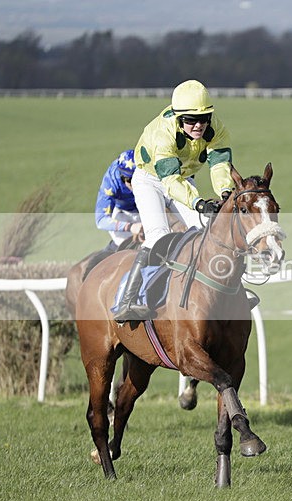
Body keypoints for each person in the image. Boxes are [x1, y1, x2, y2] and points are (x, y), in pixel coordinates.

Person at [113, 79, 234, 322]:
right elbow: (170, 183)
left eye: (204, 118)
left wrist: (224, 193)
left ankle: (221, 295)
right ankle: (128, 299)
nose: (199, 125)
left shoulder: (216, 127)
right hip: (151, 180)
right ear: (179, 118)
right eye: (191, 120)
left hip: (184, 178)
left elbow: (220, 164)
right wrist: (199, 203)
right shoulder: (163, 132)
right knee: (158, 236)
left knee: (206, 229)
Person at [94, 149, 143, 252]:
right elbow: (101, 220)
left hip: (147, 208)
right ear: (123, 178)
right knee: (125, 249)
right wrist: (130, 227)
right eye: (132, 182)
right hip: (125, 214)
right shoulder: (111, 182)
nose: (137, 187)